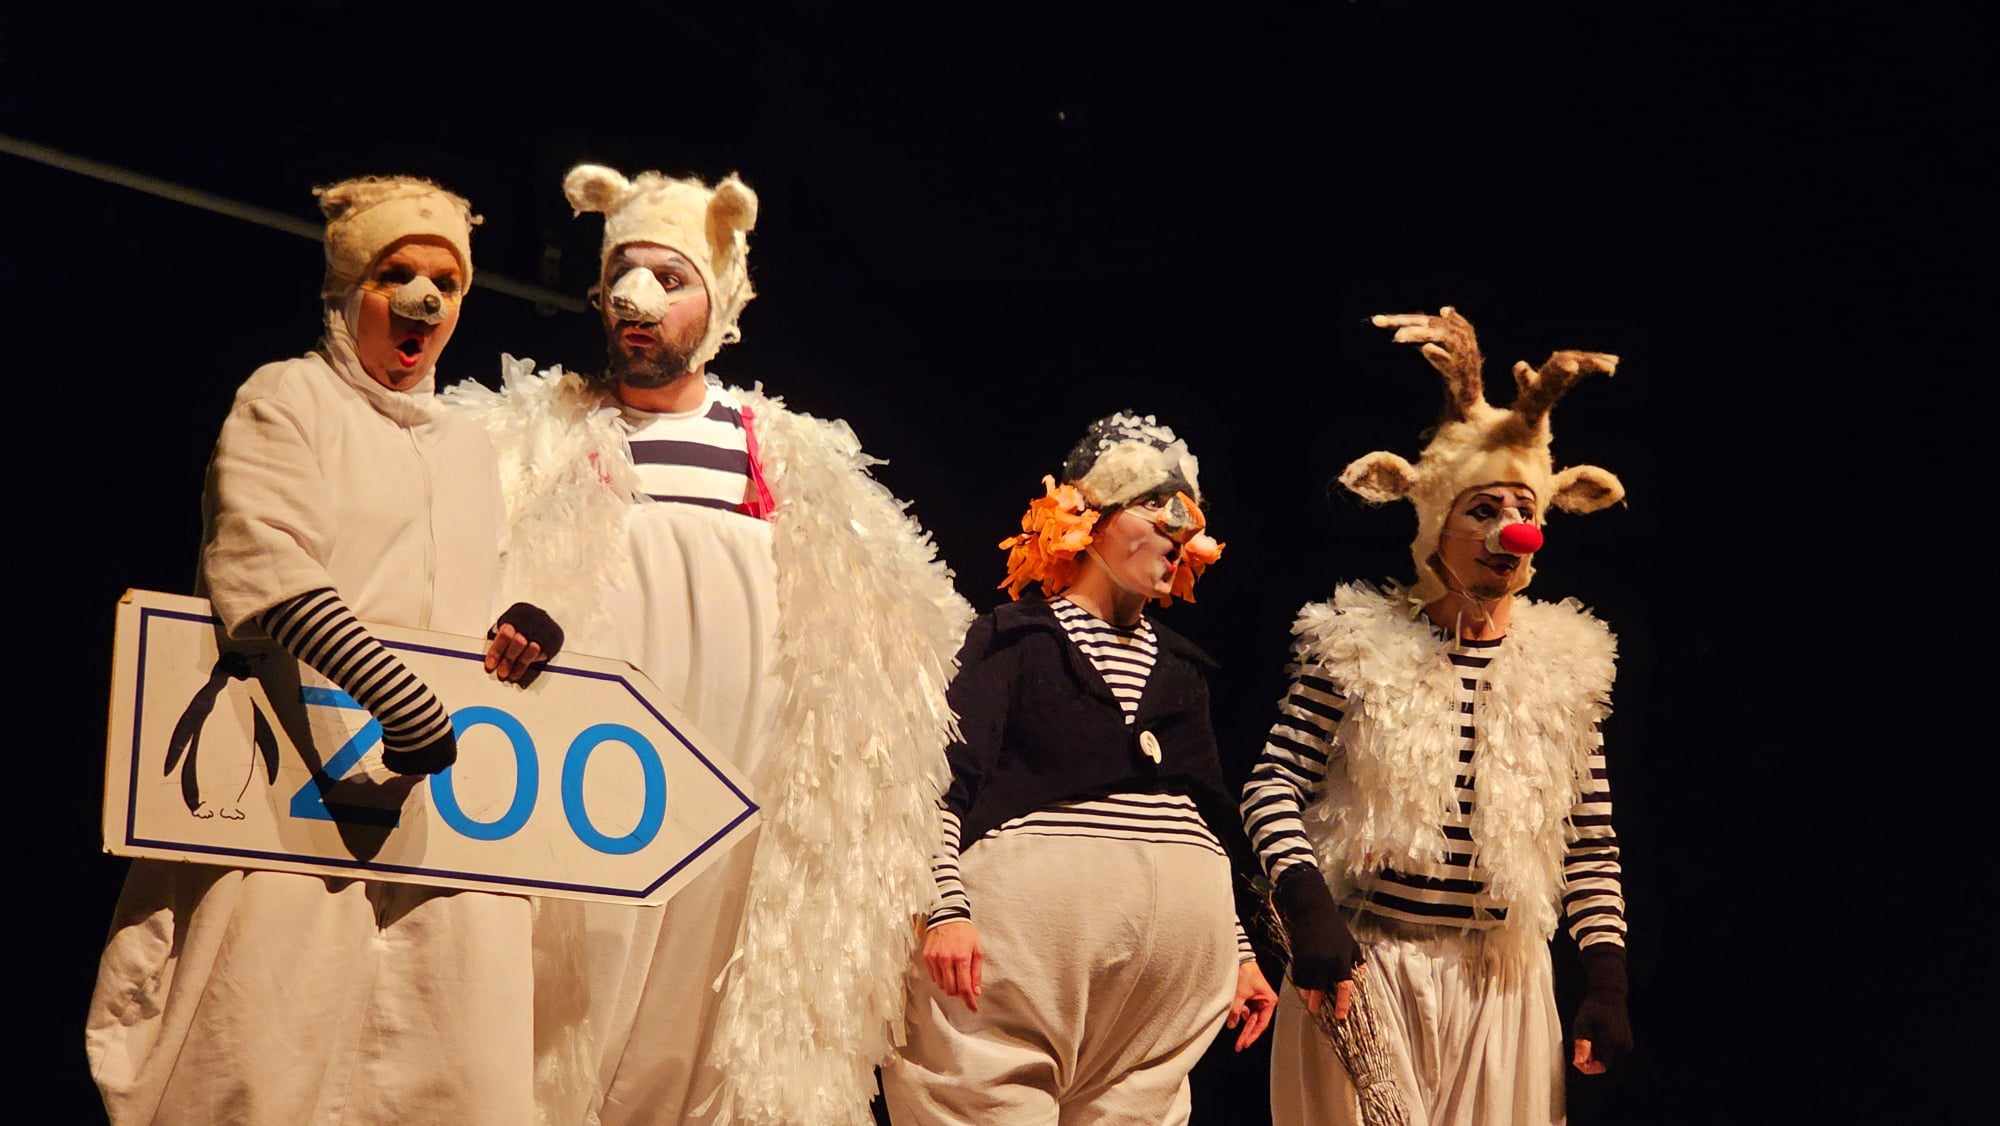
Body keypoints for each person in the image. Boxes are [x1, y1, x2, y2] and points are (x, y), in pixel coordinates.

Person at [443, 163, 970, 1125]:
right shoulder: (541, 435)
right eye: (622, 276)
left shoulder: (779, 451)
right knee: (570, 1008)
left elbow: (898, 644)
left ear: (720, 303)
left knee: (710, 1025)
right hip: (587, 781)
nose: (638, 300)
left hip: (747, 784)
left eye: (672, 278)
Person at [86, 176, 564, 1124]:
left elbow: (467, 598)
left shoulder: (469, 450)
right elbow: (260, 560)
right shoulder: (289, 396)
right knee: (264, 1064)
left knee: (445, 1072)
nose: (424, 300)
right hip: (282, 799)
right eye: (396, 275)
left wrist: (520, 630)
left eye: (445, 283)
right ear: (348, 290)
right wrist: (393, 694)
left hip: (433, 820)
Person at [1242, 307, 1634, 1125]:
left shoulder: (1567, 668)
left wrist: (1604, 977)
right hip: (1367, 967)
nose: (1509, 532)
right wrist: (1309, 911)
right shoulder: (1356, 646)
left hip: (1503, 984)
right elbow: (1272, 785)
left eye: (1522, 511)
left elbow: (1590, 840)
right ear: (1435, 522)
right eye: (1482, 510)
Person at [882, 412, 1278, 1125]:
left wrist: (1240, 951)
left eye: (1188, 511)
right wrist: (945, 911)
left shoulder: (1182, 669)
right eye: (1154, 504)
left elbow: (1202, 815)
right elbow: (941, 783)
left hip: (1156, 1012)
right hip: (1019, 981)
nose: (1180, 527)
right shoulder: (1014, 640)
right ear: (1087, 520)